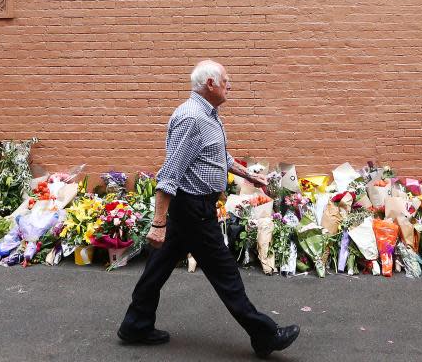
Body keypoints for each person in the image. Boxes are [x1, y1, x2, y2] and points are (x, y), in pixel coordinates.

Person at [118, 60, 300, 358]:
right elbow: (170, 173)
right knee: (225, 273)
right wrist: (158, 222)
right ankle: (264, 334)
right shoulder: (192, 118)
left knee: (158, 268)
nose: (231, 85)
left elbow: (218, 156)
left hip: (191, 208)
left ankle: (135, 324)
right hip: (193, 210)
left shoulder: (208, 115)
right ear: (210, 84)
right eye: (226, 80)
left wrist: (249, 175)